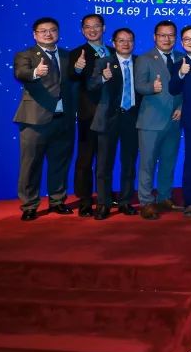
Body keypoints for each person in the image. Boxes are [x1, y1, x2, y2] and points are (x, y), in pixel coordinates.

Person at [13, 17, 76, 221]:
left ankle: (57, 201)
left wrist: (80, 70)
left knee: (60, 163)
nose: (48, 34)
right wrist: (35, 72)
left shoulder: (67, 55)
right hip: (35, 121)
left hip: (63, 119)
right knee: (31, 165)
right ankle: (29, 205)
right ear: (35, 34)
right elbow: (21, 73)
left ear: (58, 33)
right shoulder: (25, 55)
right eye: (43, 31)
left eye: (52, 30)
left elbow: (74, 84)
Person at [134, 20, 184, 220]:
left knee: (168, 162)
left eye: (171, 35)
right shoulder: (144, 58)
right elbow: (139, 85)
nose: (167, 39)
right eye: (162, 35)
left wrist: (181, 107)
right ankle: (146, 202)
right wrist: (151, 88)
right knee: (147, 164)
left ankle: (165, 197)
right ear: (155, 37)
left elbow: (186, 88)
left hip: (174, 121)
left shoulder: (181, 58)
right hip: (151, 121)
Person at [88, 28, 139, 220]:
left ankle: (125, 201)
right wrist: (103, 77)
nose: (126, 44)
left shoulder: (140, 62)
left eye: (129, 40)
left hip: (132, 118)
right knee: (104, 164)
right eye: (121, 40)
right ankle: (103, 204)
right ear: (114, 42)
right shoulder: (104, 62)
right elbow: (91, 85)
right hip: (108, 119)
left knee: (129, 163)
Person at [68, 13, 107, 217]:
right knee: (85, 159)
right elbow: (72, 76)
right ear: (83, 31)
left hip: (111, 115)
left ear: (103, 28)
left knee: (105, 159)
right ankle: (84, 200)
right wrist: (77, 68)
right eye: (88, 27)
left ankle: (103, 196)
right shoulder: (77, 53)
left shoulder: (113, 51)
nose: (92, 30)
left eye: (96, 26)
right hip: (88, 114)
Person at [168, 25, 191, 217]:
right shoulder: (178, 64)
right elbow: (173, 89)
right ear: (182, 43)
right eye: (187, 39)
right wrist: (181, 73)